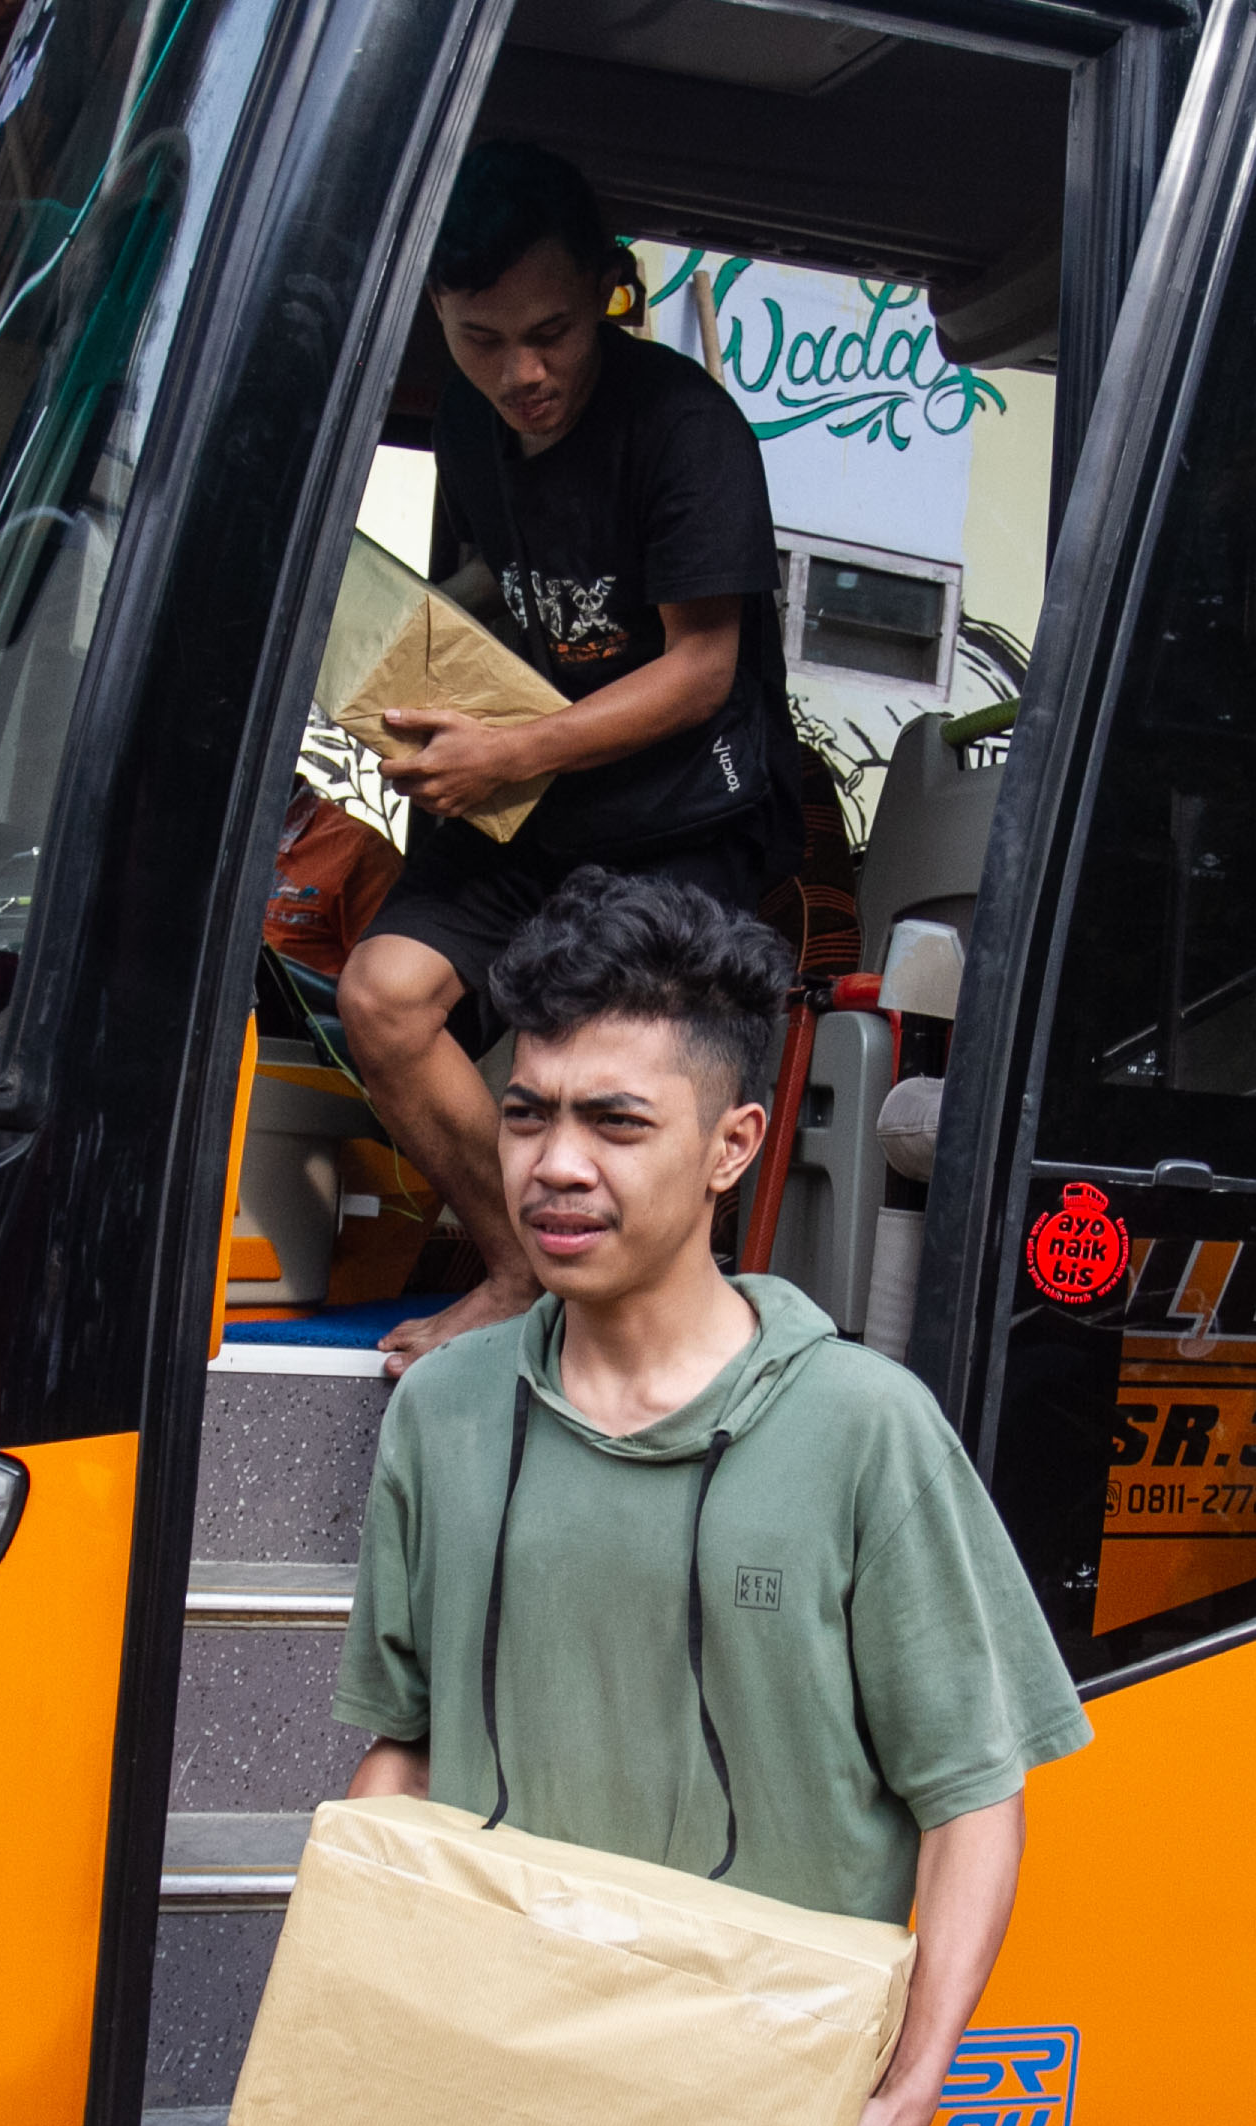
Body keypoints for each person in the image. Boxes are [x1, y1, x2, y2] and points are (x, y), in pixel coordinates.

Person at [332, 871, 1088, 2126]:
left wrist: (903, 2102)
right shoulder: (442, 1415)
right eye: (525, 1112)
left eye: (616, 1120)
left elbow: (973, 1796)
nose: (555, 1163)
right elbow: (402, 1741)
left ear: (734, 1145)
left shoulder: (862, 1431)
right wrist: (364, 1997)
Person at [336, 142, 798, 1374]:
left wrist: (506, 751)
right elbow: (489, 587)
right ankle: (514, 1273)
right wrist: (400, 686)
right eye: (481, 340)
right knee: (382, 998)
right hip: (532, 803)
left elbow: (702, 670)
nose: (522, 373)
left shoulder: (683, 429)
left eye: (552, 332)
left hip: (679, 813)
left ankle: (645, 1343)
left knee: (612, 1070)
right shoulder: (472, 426)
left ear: (607, 287)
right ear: (439, 313)